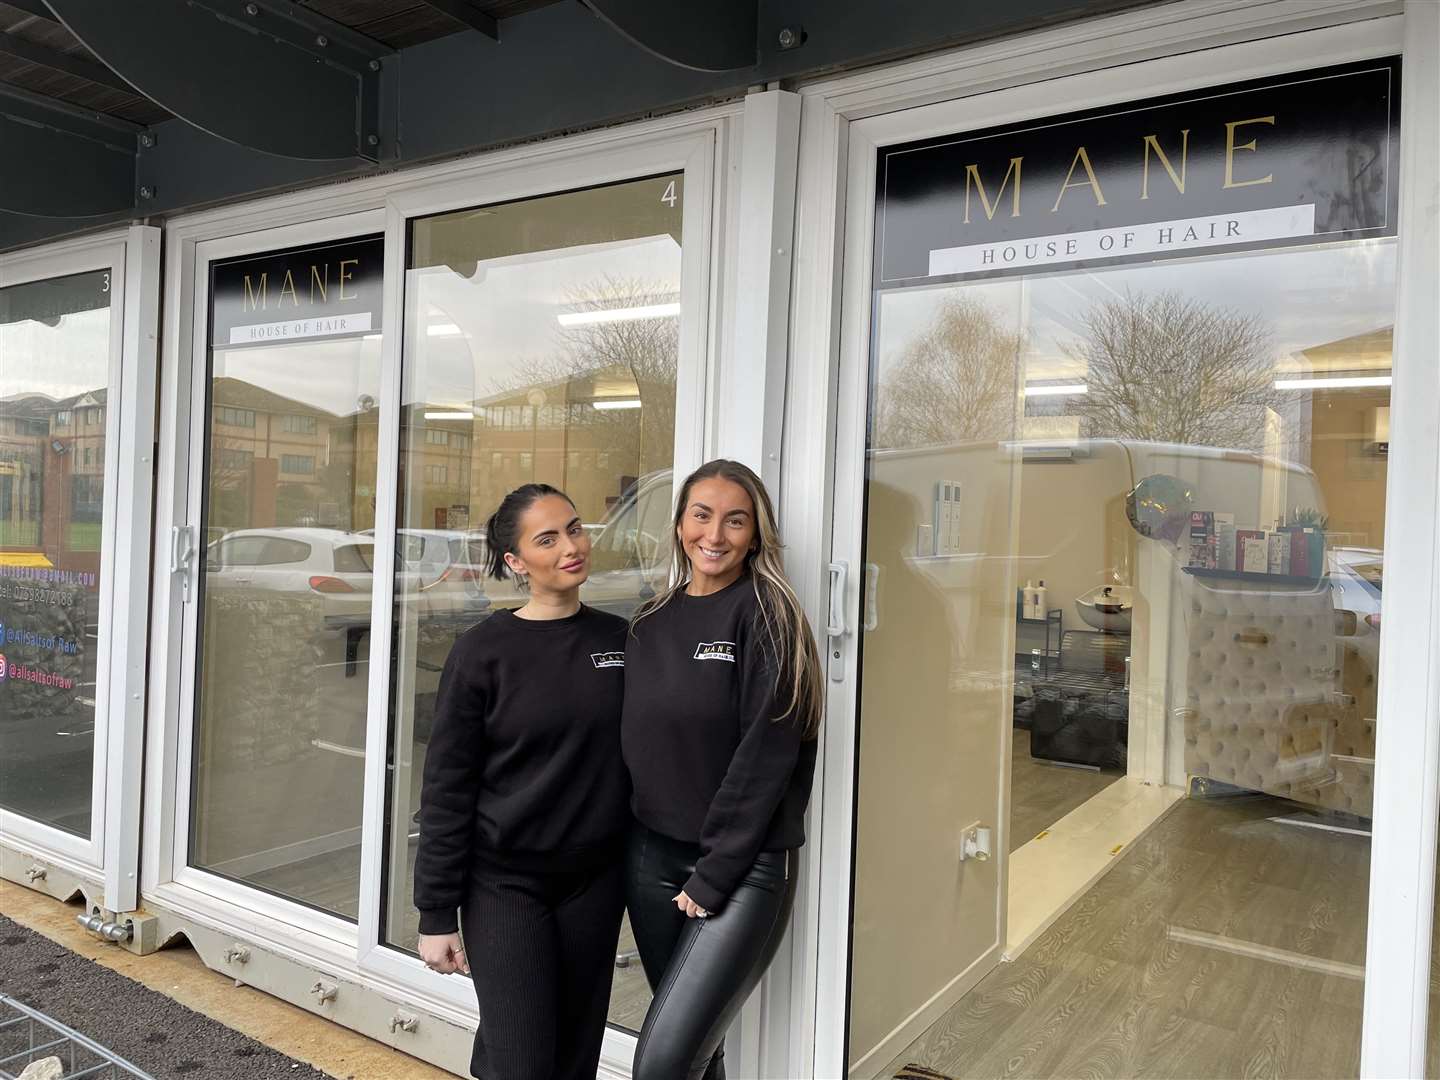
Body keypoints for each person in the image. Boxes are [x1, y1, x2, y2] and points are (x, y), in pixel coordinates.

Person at [413, 483, 629, 1080]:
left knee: (574, 1056)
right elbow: (447, 788)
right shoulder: (482, 653)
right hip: (505, 882)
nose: (571, 546)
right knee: (522, 1061)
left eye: (576, 528)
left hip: (594, 882)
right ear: (515, 561)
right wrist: (435, 913)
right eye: (548, 538)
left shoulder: (620, 641)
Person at [622, 459, 824, 1080]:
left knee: (659, 1065)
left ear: (755, 534)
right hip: (652, 862)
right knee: (695, 1054)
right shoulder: (650, 620)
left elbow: (768, 751)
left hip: (739, 871)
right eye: (701, 515)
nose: (715, 534)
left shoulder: (767, 612)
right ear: (680, 524)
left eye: (735, 521)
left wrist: (716, 872)